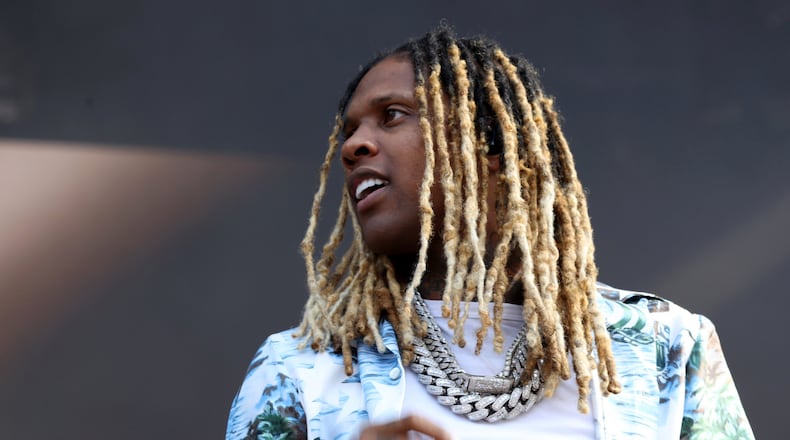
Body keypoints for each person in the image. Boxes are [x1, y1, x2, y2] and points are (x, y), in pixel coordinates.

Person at [226, 25, 754, 440]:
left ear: (493, 151)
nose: (353, 146)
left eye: (391, 116)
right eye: (349, 132)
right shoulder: (298, 369)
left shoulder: (665, 347)